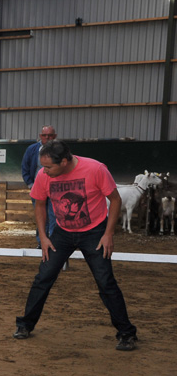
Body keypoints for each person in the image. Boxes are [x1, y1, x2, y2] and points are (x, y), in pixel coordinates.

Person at [13, 140, 137, 351]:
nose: (44, 172)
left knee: (106, 282)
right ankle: (25, 324)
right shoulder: (44, 175)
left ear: (64, 161)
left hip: (94, 232)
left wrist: (108, 233)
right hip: (62, 233)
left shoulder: (96, 169)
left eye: (49, 167)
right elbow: (40, 203)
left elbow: (115, 200)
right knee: (43, 277)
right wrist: (43, 237)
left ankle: (126, 333)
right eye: (42, 167)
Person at [22, 125, 57, 245]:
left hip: (55, 189)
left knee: (55, 216)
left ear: (55, 136)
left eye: (50, 135)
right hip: (38, 188)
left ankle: (54, 241)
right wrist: (30, 184)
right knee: (41, 216)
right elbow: (25, 167)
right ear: (40, 136)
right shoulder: (32, 150)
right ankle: (41, 241)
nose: (47, 138)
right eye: (44, 135)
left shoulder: (60, 150)